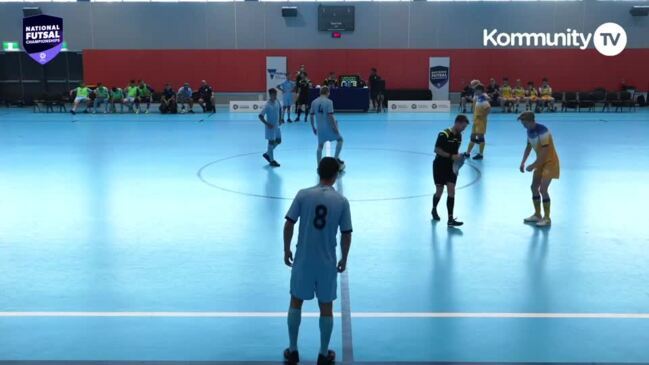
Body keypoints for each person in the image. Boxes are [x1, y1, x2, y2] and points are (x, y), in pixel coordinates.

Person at [283, 156, 352, 365]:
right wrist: (344, 258)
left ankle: (293, 350)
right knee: (326, 307)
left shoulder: (303, 195)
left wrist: (286, 249)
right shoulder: (341, 201)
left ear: (318, 172)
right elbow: (346, 234)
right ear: (335, 175)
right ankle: (323, 354)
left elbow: (289, 224)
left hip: (303, 259)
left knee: (296, 302)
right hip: (327, 262)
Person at [518, 111, 560, 227]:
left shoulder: (543, 131)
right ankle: (537, 215)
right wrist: (523, 162)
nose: (523, 125)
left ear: (531, 121)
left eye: (524, 123)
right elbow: (528, 146)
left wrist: (533, 165)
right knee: (533, 187)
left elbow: (545, 153)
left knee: (543, 189)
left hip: (550, 162)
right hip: (540, 163)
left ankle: (547, 218)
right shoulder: (529, 131)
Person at [432, 114, 469, 227]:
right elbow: (437, 150)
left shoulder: (459, 136)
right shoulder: (444, 134)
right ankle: (434, 209)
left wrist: (460, 159)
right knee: (439, 190)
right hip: (439, 165)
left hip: (451, 167)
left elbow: (455, 152)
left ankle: (450, 219)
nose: (464, 129)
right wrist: (450, 156)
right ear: (458, 123)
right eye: (463, 126)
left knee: (451, 191)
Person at [310, 86, 344, 170]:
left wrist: (313, 128)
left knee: (320, 146)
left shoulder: (314, 102)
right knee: (340, 140)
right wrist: (335, 127)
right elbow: (330, 116)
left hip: (320, 129)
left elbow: (311, 116)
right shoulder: (329, 102)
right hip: (329, 128)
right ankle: (335, 159)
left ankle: (318, 166)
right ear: (327, 92)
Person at [465, 84, 491, 160]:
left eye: (476, 90)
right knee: (472, 137)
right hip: (476, 121)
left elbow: (488, 108)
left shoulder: (483, 99)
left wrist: (483, 115)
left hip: (481, 121)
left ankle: (481, 154)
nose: (475, 91)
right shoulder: (478, 98)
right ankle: (467, 153)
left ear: (480, 91)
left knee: (480, 137)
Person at [258, 88, 283, 167]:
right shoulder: (267, 105)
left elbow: (280, 109)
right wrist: (267, 124)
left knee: (279, 140)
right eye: (274, 95)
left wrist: (280, 119)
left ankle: (267, 153)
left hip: (277, 126)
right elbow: (260, 116)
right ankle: (272, 160)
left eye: (276, 94)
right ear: (270, 95)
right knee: (271, 142)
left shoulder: (277, 101)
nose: (275, 96)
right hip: (270, 127)